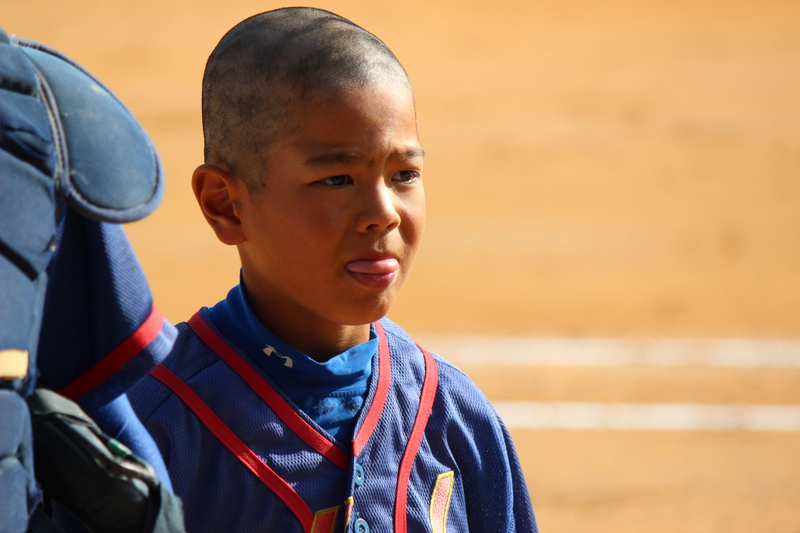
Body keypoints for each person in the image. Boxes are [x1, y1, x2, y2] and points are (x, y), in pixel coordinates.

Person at [129, 7, 537, 533]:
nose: (385, 211)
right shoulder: (154, 431)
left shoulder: (456, 420)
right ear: (226, 205)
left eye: (405, 174)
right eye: (337, 179)